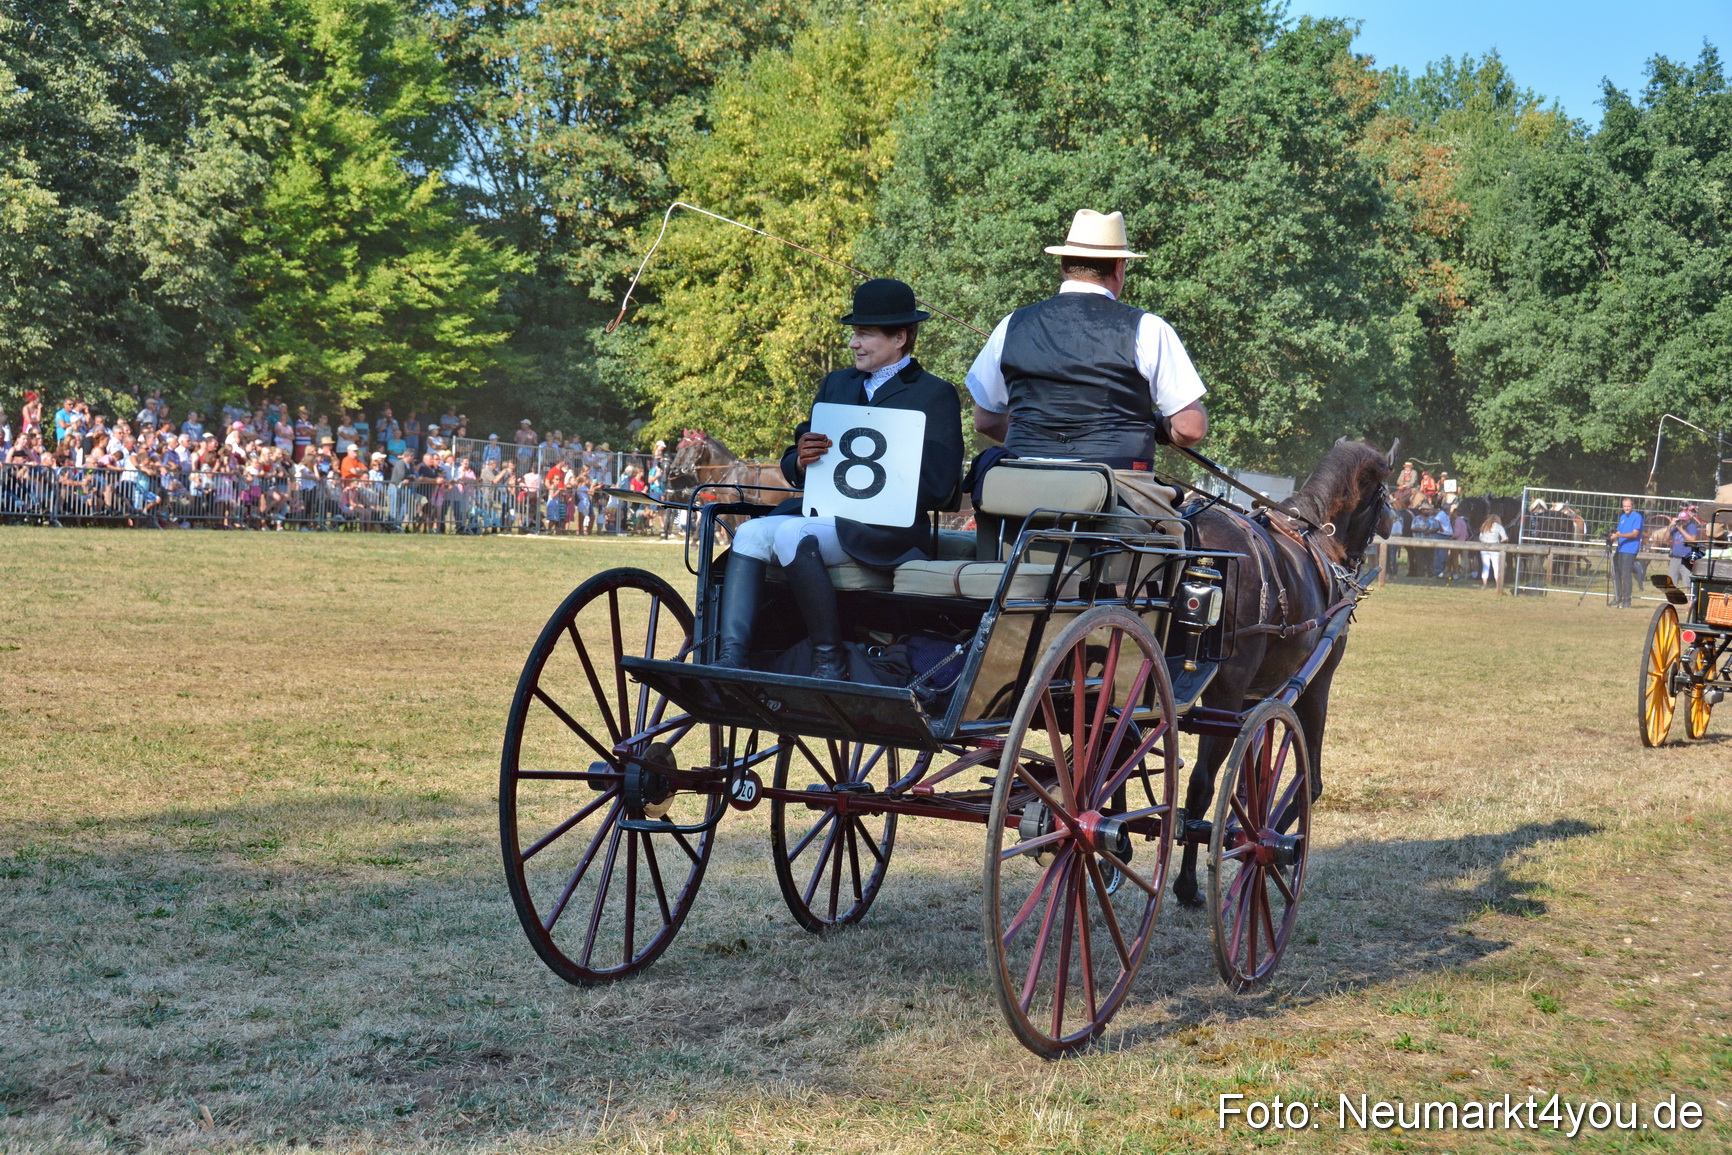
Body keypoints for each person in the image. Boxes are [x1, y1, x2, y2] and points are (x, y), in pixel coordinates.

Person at [715, 278, 965, 680]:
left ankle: (828, 660)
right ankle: (731, 661)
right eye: (854, 333)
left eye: (864, 334)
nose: (853, 343)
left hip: (888, 531)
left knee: (791, 534)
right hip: (826, 518)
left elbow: (940, 485)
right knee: (749, 534)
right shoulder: (836, 384)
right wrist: (801, 461)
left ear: (899, 337)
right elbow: (794, 460)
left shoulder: (934, 394)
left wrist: (886, 483)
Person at [965, 209, 1207, 468]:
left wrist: (1040, 448)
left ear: (1063, 265)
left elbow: (986, 421)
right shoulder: (1148, 328)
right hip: (1116, 483)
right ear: (1118, 267)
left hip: (1023, 479)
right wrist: (1161, 427)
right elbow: (1190, 428)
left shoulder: (1011, 324)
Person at [1611, 496, 1644, 608]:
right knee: (1616, 573)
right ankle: (1618, 598)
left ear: (1632, 506)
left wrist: (1620, 535)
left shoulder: (1637, 517)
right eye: (1624, 506)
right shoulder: (1622, 517)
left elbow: (1635, 534)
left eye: (1628, 506)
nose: (1626, 508)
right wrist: (1614, 536)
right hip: (1620, 549)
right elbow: (1619, 532)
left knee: (1626, 574)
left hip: (1630, 550)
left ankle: (1627, 601)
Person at [1668, 504, 1701, 590]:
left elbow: (1692, 539)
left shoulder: (1691, 527)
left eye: (1684, 521)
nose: (1682, 523)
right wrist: (1670, 526)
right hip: (1675, 558)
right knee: (1671, 583)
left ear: (1688, 520)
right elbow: (1665, 538)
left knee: (1687, 583)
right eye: (1681, 521)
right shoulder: (1675, 527)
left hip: (1686, 558)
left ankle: (1688, 597)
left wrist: (1681, 529)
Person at [1478, 513, 1508, 590]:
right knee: (1496, 566)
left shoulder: (1484, 525)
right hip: (1495, 548)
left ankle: (1484, 584)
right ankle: (1498, 585)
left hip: (1484, 547)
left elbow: (1480, 537)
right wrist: (1499, 541)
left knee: (1485, 566)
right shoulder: (1499, 527)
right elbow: (1505, 538)